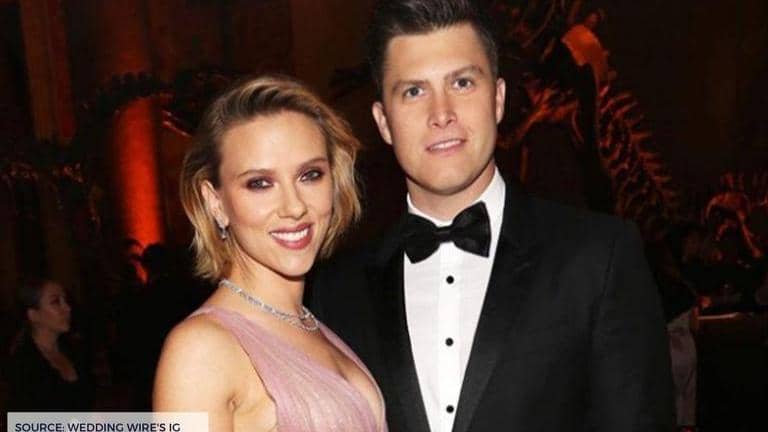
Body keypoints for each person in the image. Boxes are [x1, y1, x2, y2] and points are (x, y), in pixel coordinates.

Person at [309, 1, 674, 431]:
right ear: (383, 122)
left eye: (462, 83)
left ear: (498, 99)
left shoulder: (599, 259)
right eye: (414, 92)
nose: (441, 113)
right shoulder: (336, 293)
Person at [154, 75, 386, 432]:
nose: (294, 206)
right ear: (215, 202)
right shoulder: (201, 350)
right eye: (260, 183)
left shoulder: (313, 325)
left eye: (310, 175)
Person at [5, 277, 91, 411]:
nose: (67, 308)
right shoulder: (24, 364)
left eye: (66, 300)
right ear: (33, 315)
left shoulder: (74, 350)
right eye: (56, 302)